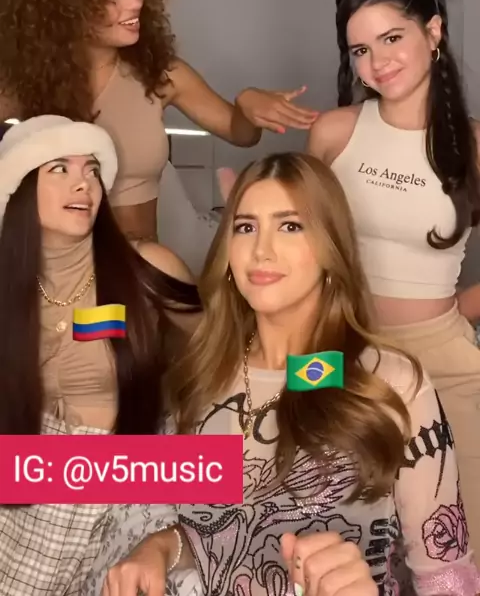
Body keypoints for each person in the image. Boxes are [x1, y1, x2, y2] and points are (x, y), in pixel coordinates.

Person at [85, 153, 480, 596]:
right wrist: (164, 546)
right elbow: (221, 527)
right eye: (245, 227)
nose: (262, 249)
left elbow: (448, 578)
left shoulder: (389, 384)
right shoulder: (200, 379)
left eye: (290, 226)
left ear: (331, 247)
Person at [0, 0, 319, 247]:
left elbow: (241, 134)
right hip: (57, 269)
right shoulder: (22, 79)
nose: (135, 1)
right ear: (63, 5)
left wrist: (247, 106)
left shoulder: (162, 74)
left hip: (143, 267)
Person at [306, 0, 480, 558]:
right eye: (360, 50)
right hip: (339, 349)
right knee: (331, 533)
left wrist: (454, 312)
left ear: (434, 32)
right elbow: (304, 245)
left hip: (443, 358)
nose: (377, 62)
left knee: (461, 540)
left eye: (391, 38)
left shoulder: (474, 144)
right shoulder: (333, 132)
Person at [0, 115, 201, 596]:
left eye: (91, 169)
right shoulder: (11, 288)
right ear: (20, 188)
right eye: (60, 168)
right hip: (26, 488)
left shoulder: (145, 266)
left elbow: (228, 355)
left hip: (123, 486)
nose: (83, 183)